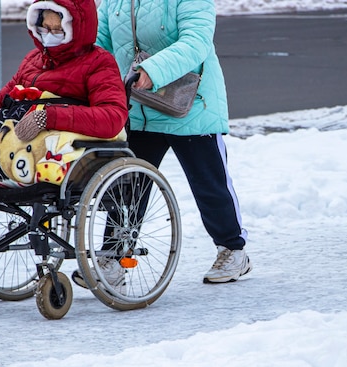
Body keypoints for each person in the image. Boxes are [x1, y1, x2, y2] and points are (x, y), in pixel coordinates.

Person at [96, 0, 251, 283]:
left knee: (208, 184)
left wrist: (152, 71)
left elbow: (196, 42)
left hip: (190, 106)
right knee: (128, 186)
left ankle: (233, 249)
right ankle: (114, 258)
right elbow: (99, 46)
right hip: (138, 108)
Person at [0, 0, 127, 147]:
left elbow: (112, 117)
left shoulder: (98, 62)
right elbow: (5, 96)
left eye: (58, 29)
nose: (49, 34)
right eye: (45, 27)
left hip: (60, 154)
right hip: (20, 146)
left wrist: (49, 118)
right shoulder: (33, 59)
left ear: (77, 28)